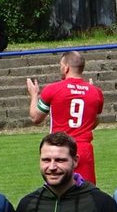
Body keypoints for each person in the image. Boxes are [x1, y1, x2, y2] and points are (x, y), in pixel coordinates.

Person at [27, 51, 105, 185]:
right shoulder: (95, 92)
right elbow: (94, 122)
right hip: (84, 149)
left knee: (59, 191)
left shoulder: (52, 89)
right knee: (87, 193)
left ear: (66, 67)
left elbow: (35, 118)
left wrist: (34, 95)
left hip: (59, 149)